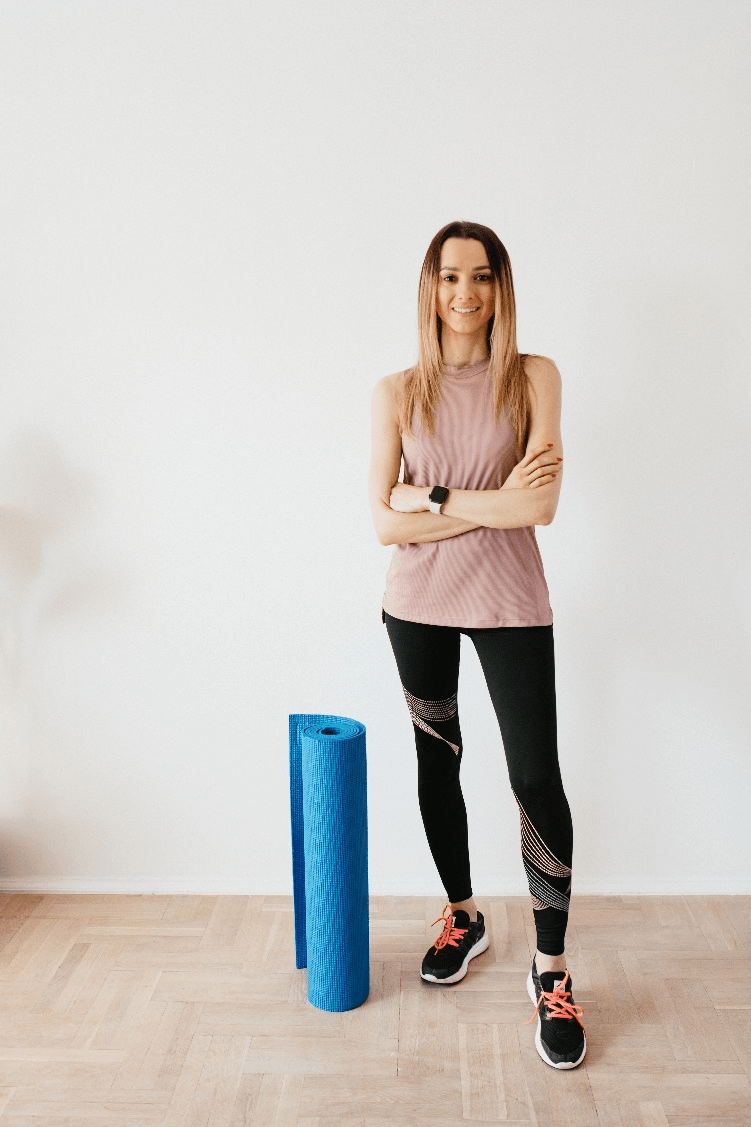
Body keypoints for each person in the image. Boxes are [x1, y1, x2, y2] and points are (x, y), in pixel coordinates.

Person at [368, 220, 587, 1070]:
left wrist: (433, 496)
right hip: (415, 604)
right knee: (438, 759)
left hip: (510, 599)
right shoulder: (394, 392)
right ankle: (462, 913)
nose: (465, 293)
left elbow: (538, 509)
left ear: (501, 287)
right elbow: (380, 521)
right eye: (450, 276)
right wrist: (469, 501)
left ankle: (552, 967)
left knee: (534, 776)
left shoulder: (534, 376)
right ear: (429, 287)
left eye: (482, 276)